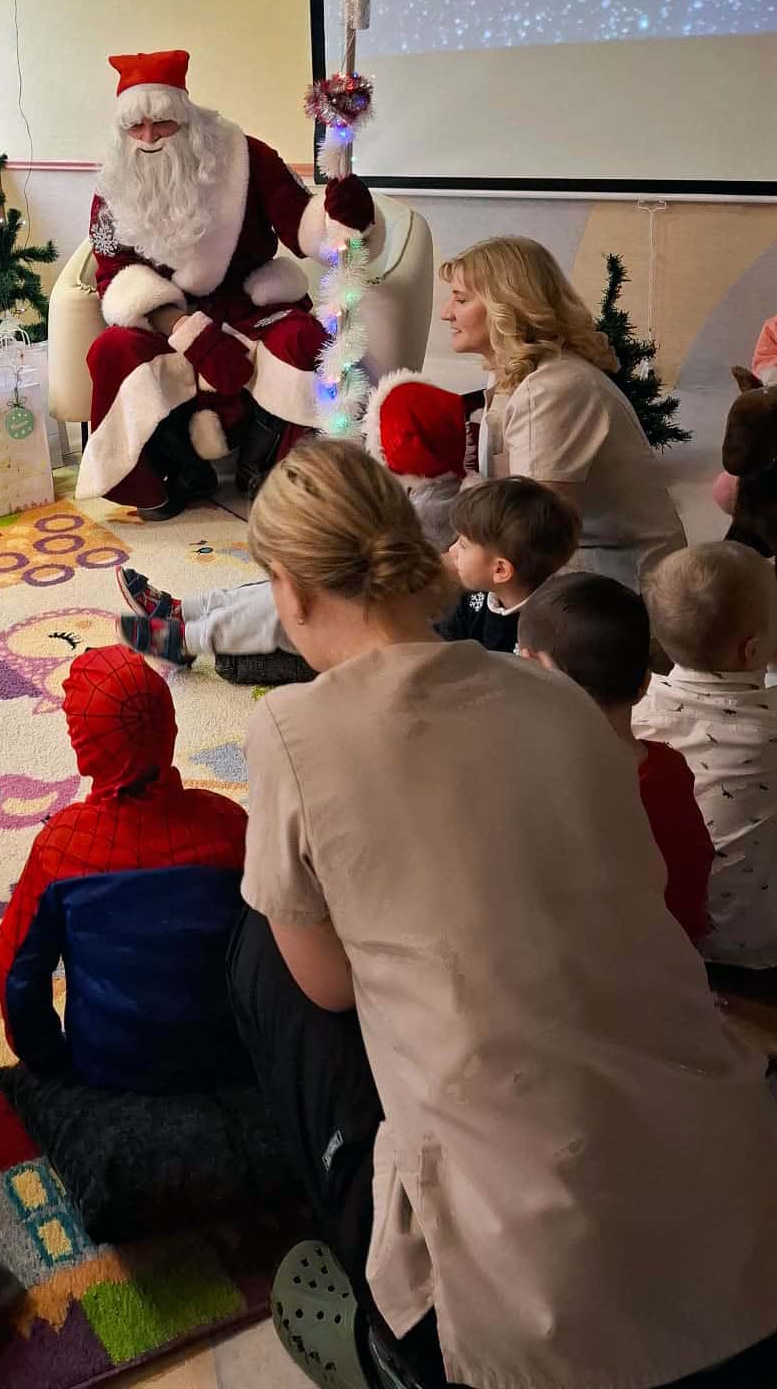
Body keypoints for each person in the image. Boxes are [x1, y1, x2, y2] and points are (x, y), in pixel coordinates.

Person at [232, 438, 777, 1389]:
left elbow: (326, 986)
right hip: (736, 1218)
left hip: (537, 1305)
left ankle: (390, 1346)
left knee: (262, 955)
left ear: (289, 587)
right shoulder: (556, 694)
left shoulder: (290, 729)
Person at [75, 48, 374, 520]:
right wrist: (184, 329)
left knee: (303, 339)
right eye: (136, 128)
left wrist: (338, 210)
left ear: (187, 118)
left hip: (247, 303)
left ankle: (274, 470)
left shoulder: (245, 156)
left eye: (163, 125)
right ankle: (173, 474)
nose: (149, 139)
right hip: (163, 314)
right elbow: (114, 272)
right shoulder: (115, 182)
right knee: (113, 351)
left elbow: (300, 224)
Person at [0, 645, 247, 1092]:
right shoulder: (229, 824)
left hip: (105, 1066)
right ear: (170, 727)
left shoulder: (61, 847)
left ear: (84, 750)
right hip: (230, 1055)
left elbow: (13, 970)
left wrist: (48, 1061)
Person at [119, 375, 468, 675]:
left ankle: (186, 640)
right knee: (277, 582)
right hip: (368, 592)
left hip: (374, 612)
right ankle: (185, 610)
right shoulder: (424, 489)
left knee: (284, 605)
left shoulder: (437, 508)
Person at [440, 235, 686, 587]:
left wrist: (428, 572)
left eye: (460, 299)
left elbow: (529, 536)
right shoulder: (529, 378)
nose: (446, 312)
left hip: (613, 594)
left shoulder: (552, 388)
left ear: (507, 306)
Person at [516, 572, 712, 946]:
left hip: (594, 978)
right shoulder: (671, 770)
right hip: (675, 958)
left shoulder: (537, 786)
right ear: (644, 683)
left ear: (535, 668)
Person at [637, 543, 777, 971]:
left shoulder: (639, 708)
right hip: (750, 946)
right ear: (753, 651)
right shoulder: (769, 727)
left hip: (666, 932)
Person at [437, 474, 581, 654]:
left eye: (463, 545)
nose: (452, 550)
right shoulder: (472, 599)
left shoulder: (548, 633)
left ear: (500, 570)